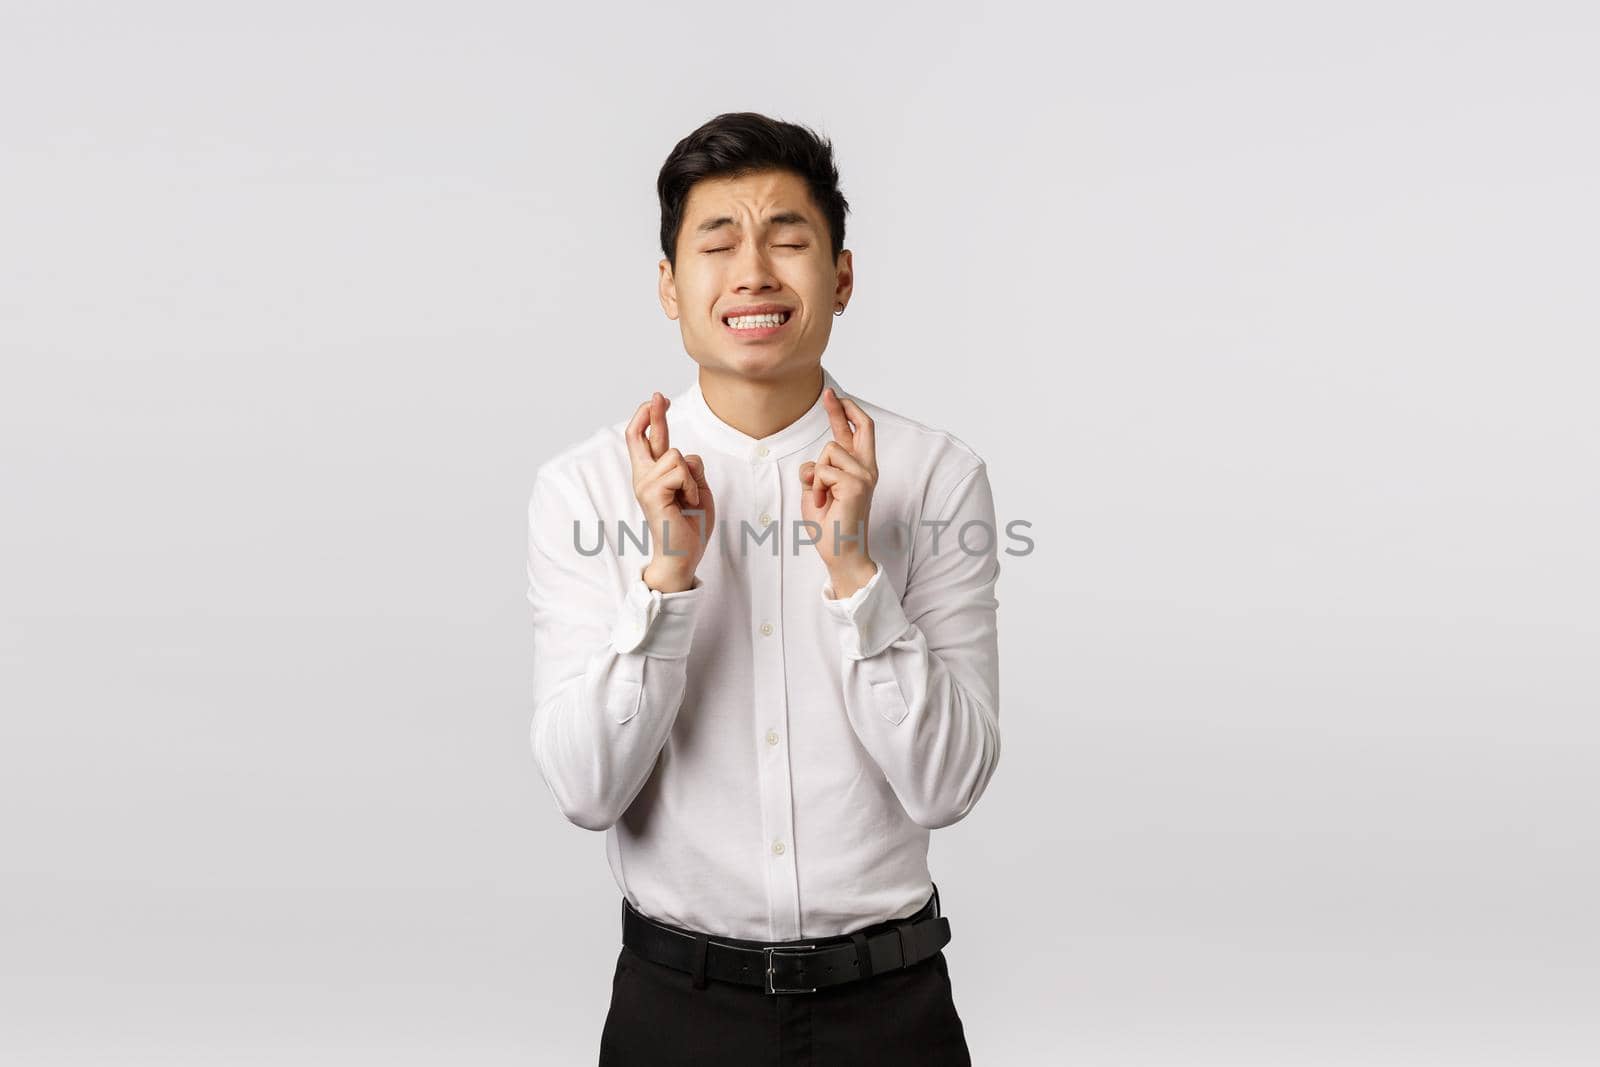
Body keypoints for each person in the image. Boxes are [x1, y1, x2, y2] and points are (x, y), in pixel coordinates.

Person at [525, 111, 1001, 1066]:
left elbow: (948, 786)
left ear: (842, 275)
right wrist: (665, 578)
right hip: (678, 1013)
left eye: (788, 238)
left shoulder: (933, 476)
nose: (753, 272)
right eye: (717, 241)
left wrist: (856, 574)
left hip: (891, 1012)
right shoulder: (586, 487)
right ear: (670, 285)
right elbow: (585, 789)